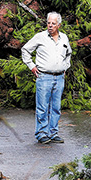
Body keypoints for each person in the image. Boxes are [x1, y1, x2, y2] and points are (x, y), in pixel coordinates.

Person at [21, 12, 72, 144]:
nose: (50, 25)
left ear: (59, 25)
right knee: (42, 107)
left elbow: (68, 54)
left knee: (56, 107)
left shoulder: (64, 38)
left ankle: (53, 133)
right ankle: (42, 133)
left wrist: (65, 67)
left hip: (59, 77)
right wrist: (32, 66)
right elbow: (25, 50)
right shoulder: (40, 37)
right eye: (48, 23)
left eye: (53, 23)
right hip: (44, 76)